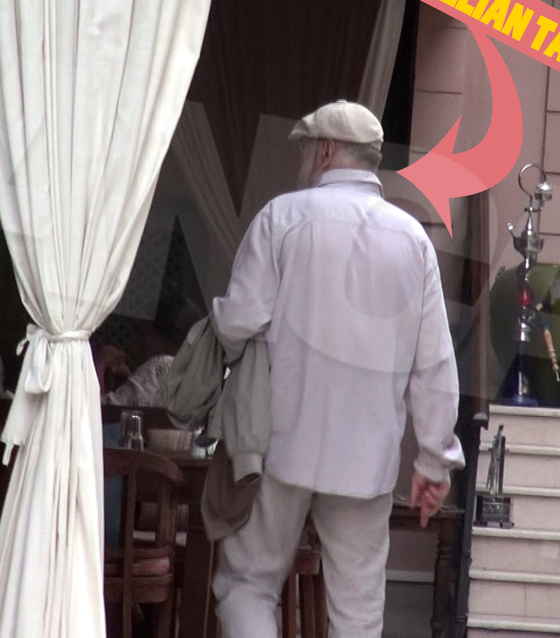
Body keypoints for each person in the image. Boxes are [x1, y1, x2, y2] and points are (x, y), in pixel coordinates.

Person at [209, 100, 465, 637]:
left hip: (281, 443)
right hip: (365, 460)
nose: (303, 159)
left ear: (325, 150)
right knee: (358, 612)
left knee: (248, 585)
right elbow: (435, 363)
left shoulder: (281, 218)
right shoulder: (413, 240)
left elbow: (237, 323)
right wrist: (434, 460)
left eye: (306, 148)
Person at [97, 293, 204, 407]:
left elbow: (98, 412)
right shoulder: (197, 373)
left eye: (142, 332)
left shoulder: (162, 366)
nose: (135, 341)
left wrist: (100, 361)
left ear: (161, 337)